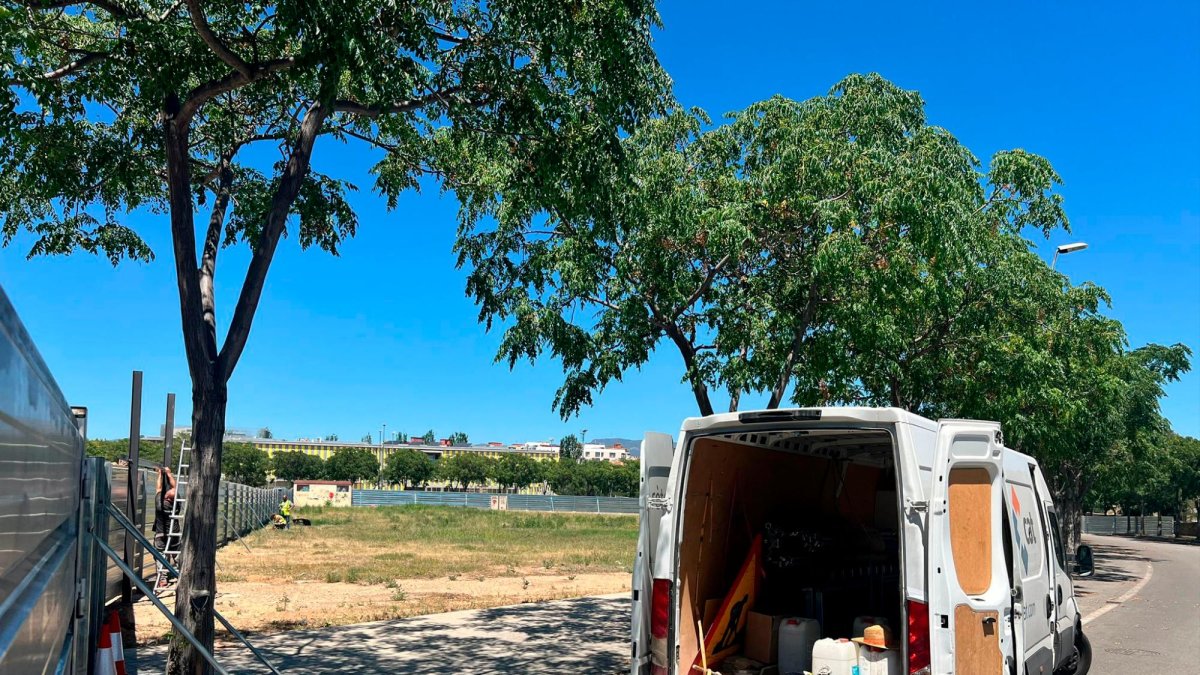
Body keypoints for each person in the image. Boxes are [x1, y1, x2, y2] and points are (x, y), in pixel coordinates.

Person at [152, 466, 177, 588]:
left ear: (167, 497)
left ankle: (162, 579)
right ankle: (179, 575)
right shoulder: (177, 504)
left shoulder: (160, 505)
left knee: (161, 556)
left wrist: (160, 475)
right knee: (177, 555)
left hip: (161, 535)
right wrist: (169, 474)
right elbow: (175, 488)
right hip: (174, 534)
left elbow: (159, 488)